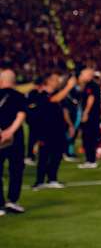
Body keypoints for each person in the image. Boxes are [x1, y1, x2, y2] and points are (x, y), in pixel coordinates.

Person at [33, 73, 77, 189]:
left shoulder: (58, 95)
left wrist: (70, 125)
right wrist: (69, 86)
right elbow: (54, 100)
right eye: (56, 80)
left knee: (56, 155)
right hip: (45, 131)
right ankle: (39, 181)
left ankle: (52, 178)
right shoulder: (42, 95)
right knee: (44, 156)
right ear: (48, 81)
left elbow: (64, 110)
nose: (58, 82)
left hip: (59, 130)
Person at [0, 69, 28, 213]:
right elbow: (21, 115)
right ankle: (12, 200)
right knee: (16, 169)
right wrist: (10, 131)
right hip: (15, 138)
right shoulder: (19, 96)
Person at [77, 66, 101, 169]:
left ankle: (91, 160)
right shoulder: (89, 85)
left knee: (89, 137)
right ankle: (89, 159)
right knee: (87, 138)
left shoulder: (92, 86)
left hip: (91, 117)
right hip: (92, 116)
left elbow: (91, 99)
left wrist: (86, 113)